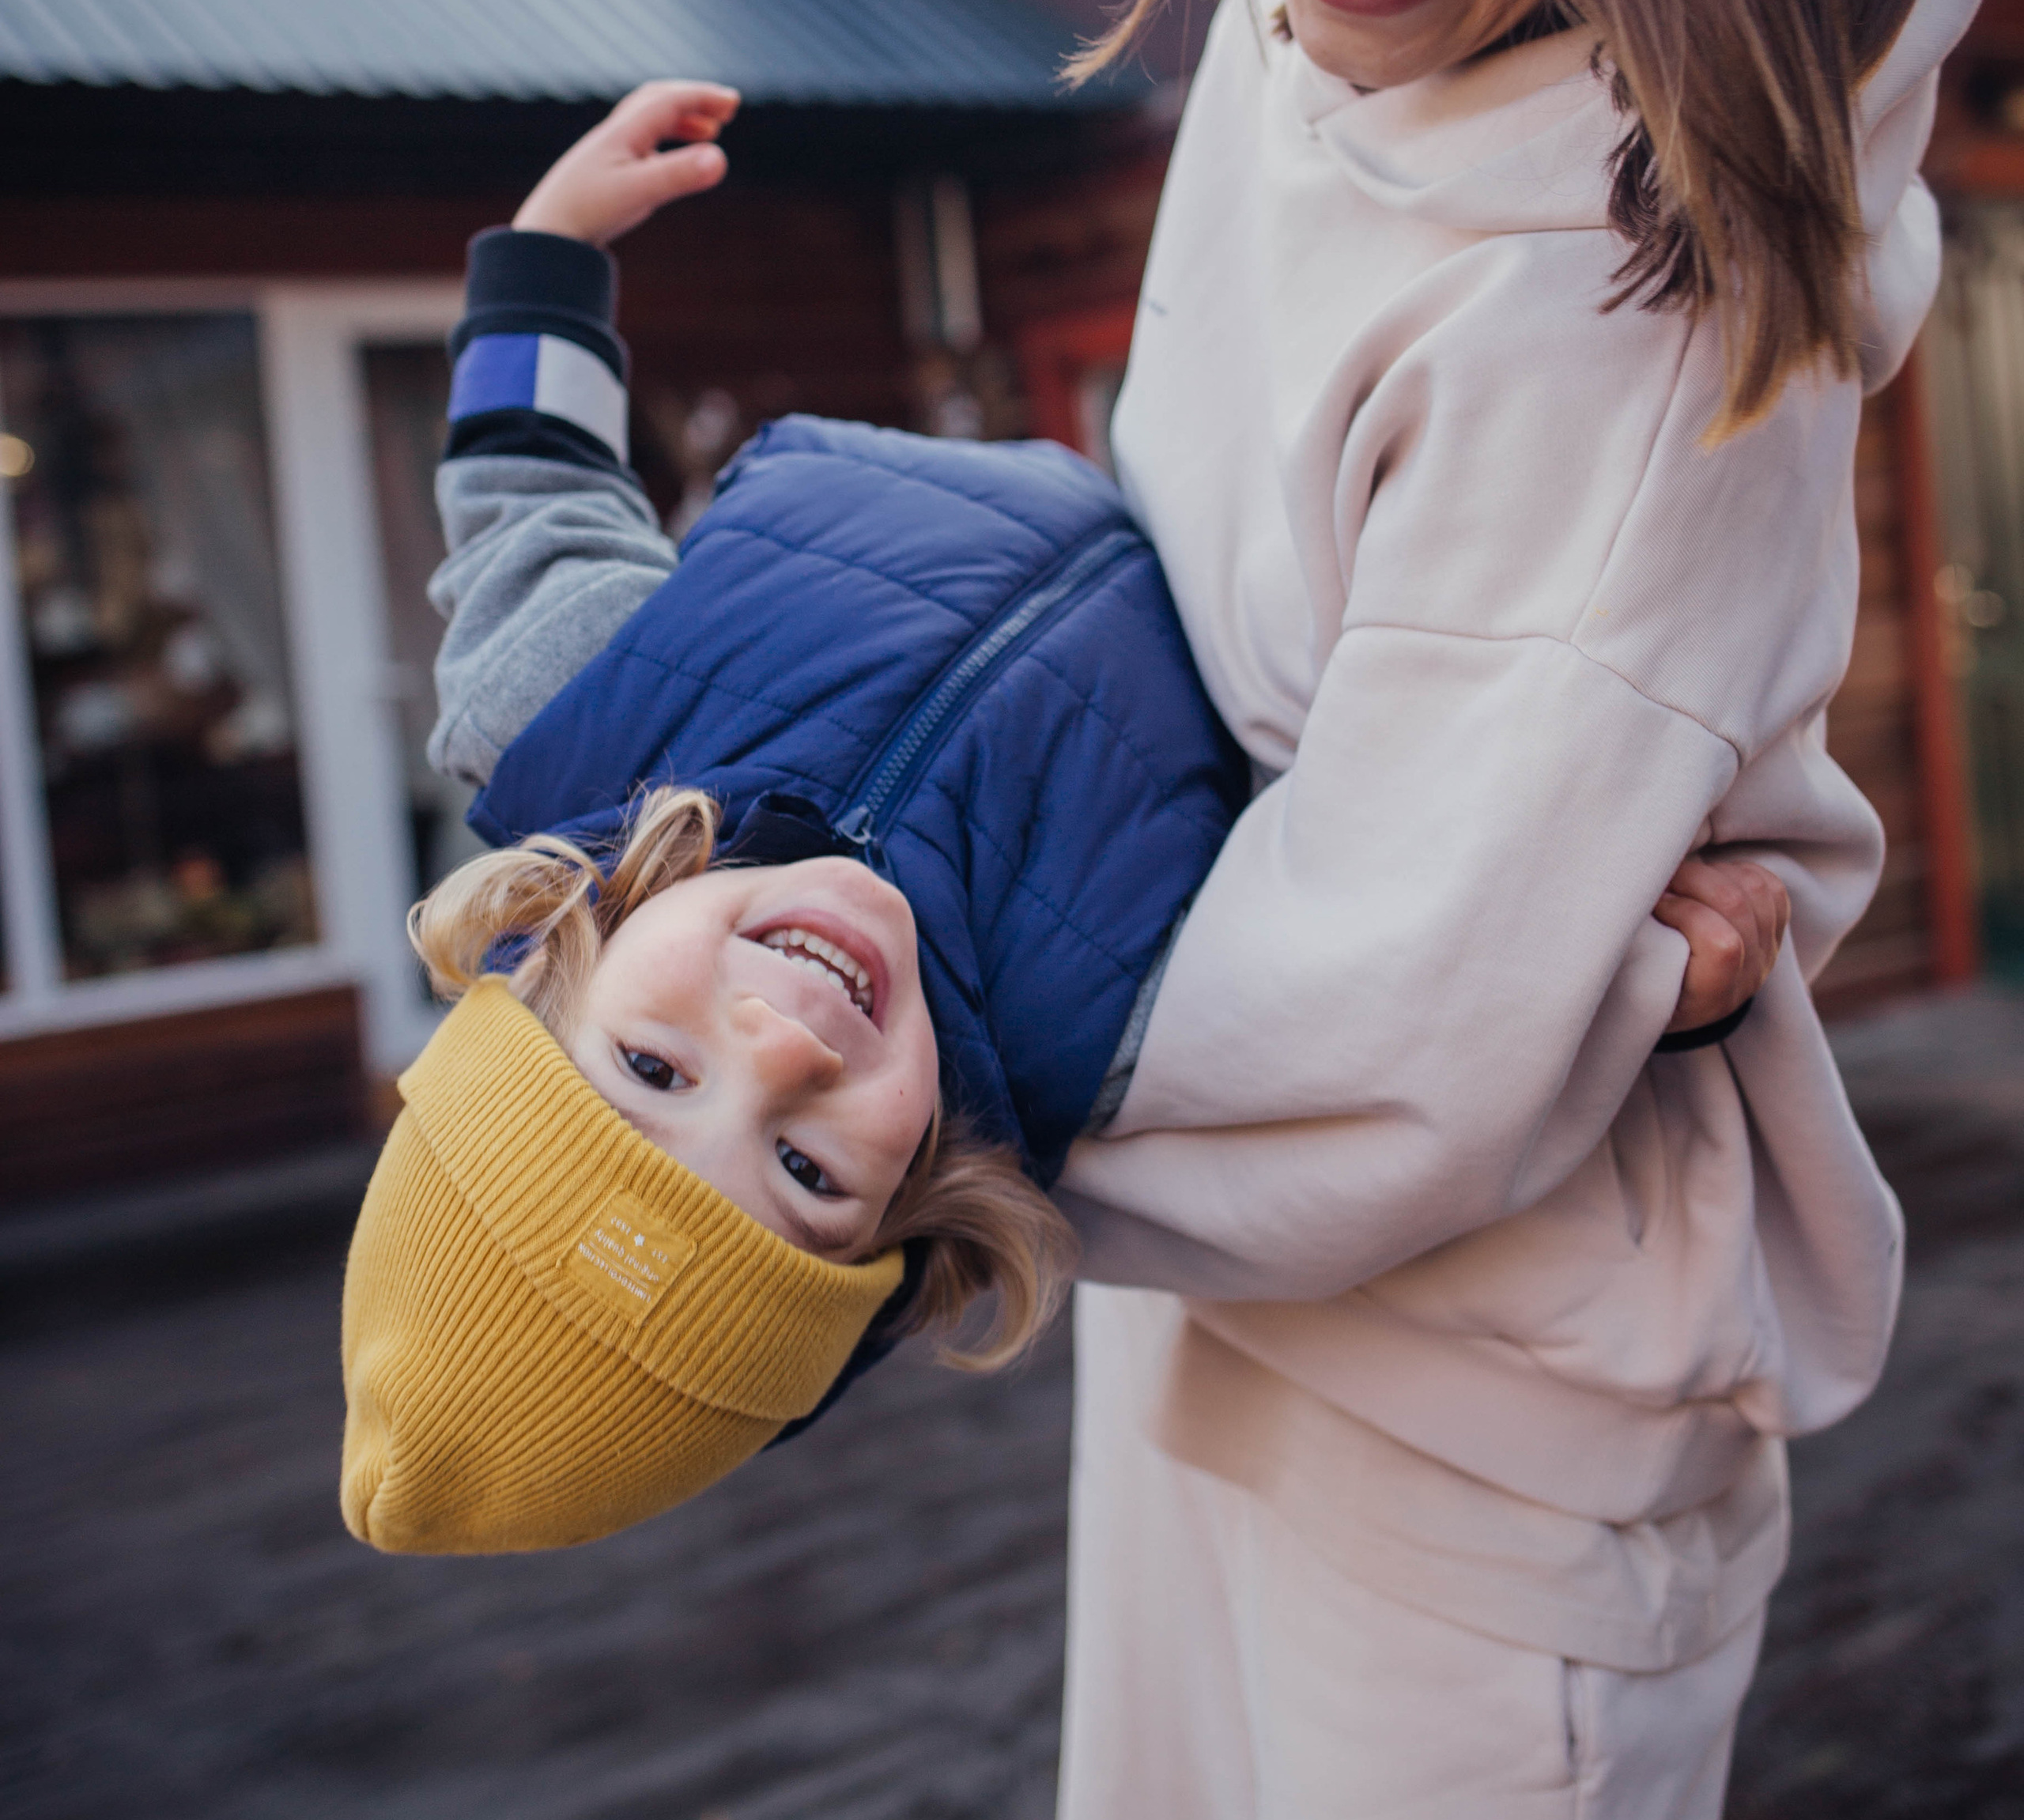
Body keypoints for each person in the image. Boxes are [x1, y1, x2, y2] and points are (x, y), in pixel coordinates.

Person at [1026, 0, 1979, 1820]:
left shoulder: (1633, 288)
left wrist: (858, 1099)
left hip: (1485, 1391)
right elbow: (1184, 637)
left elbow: (1393, 1039)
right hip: (1205, 1328)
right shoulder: (1301, 77)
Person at [339, 77, 1777, 1559]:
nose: (781, 1049)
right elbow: (1408, 1009)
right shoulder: (1103, 1051)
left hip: (1119, 433)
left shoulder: (578, 705)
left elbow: (529, 493)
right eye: (807, 1169)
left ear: (548, 980)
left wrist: (546, 250)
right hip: (1279, 546)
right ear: (909, 1225)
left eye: (654, 1065)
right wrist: (1647, 985)